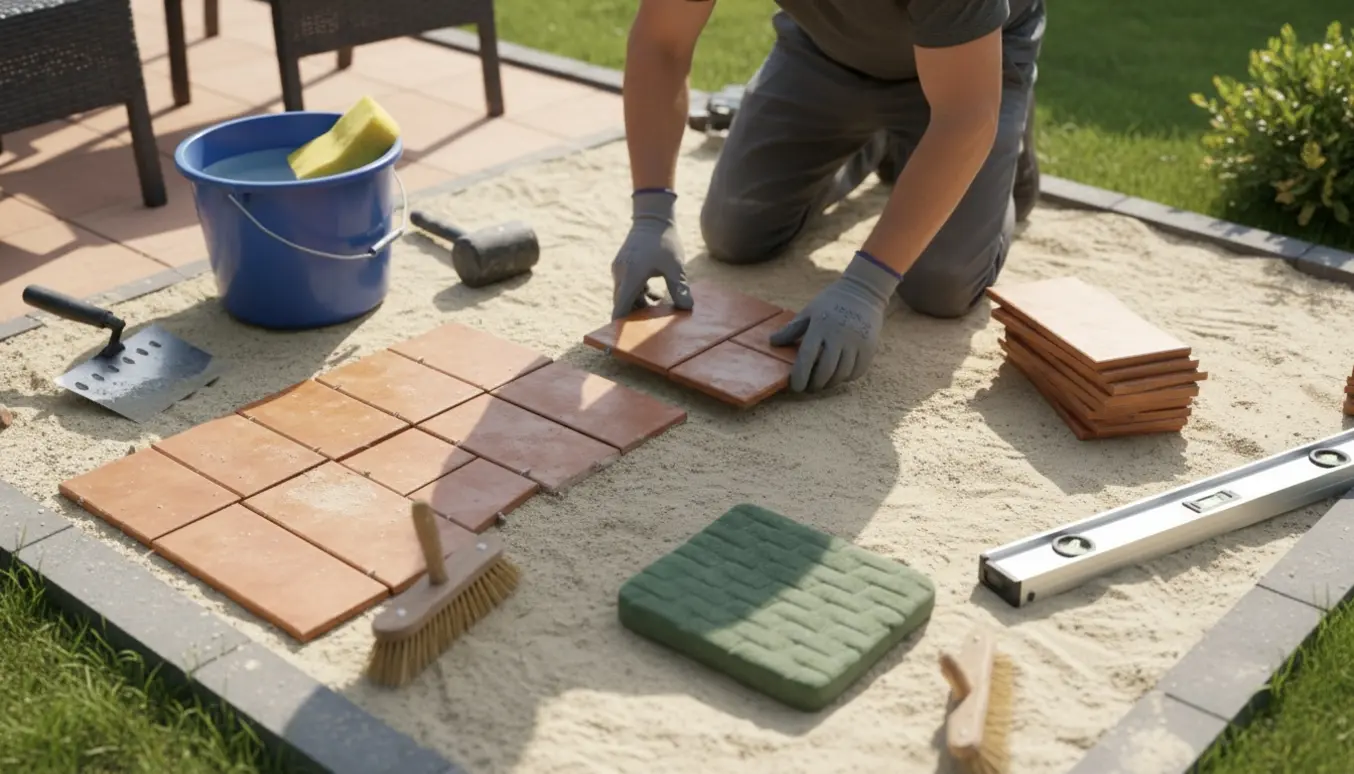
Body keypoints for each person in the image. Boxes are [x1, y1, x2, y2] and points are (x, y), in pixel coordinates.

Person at [609, 0, 1046, 393]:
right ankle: (887, 144)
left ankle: (1005, 156)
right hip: (826, 55)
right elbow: (662, 40)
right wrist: (651, 213)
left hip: (974, 66)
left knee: (941, 286)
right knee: (736, 231)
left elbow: (966, 116)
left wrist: (867, 285)